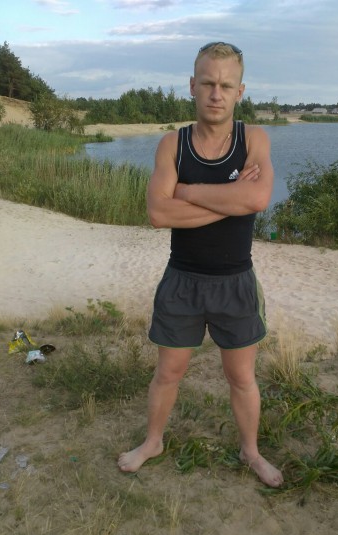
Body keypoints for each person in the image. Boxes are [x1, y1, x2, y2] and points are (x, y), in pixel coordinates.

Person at [118, 42, 283, 488]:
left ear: (240, 91)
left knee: (241, 377)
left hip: (236, 280)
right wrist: (231, 201)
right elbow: (159, 213)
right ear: (192, 85)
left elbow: (257, 198)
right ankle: (153, 442)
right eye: (208, 83)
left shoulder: (254, 140)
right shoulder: (173, 144)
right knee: (168, 372)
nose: (216, 93)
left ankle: (251, 451)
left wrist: (188, 193)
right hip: (183, 279)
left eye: (226, 85)